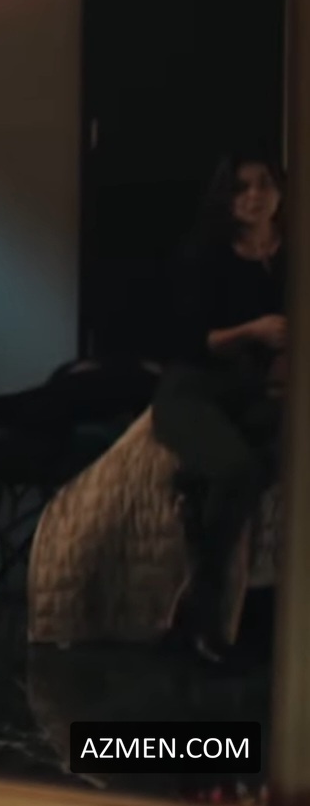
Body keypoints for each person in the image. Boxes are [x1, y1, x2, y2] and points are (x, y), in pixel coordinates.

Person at [152, 149, 287, 665]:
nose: (254, 196)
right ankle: (201, 617)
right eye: (241, 188)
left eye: (263, 184)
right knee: (237, 469)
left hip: (254, 392)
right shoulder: (204, 255)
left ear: (280, 191)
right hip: (194, 387)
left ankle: (195, 487)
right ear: (226, 199)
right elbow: (188, 341)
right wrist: (253, 331)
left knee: (280, 450)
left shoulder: (291, 254)